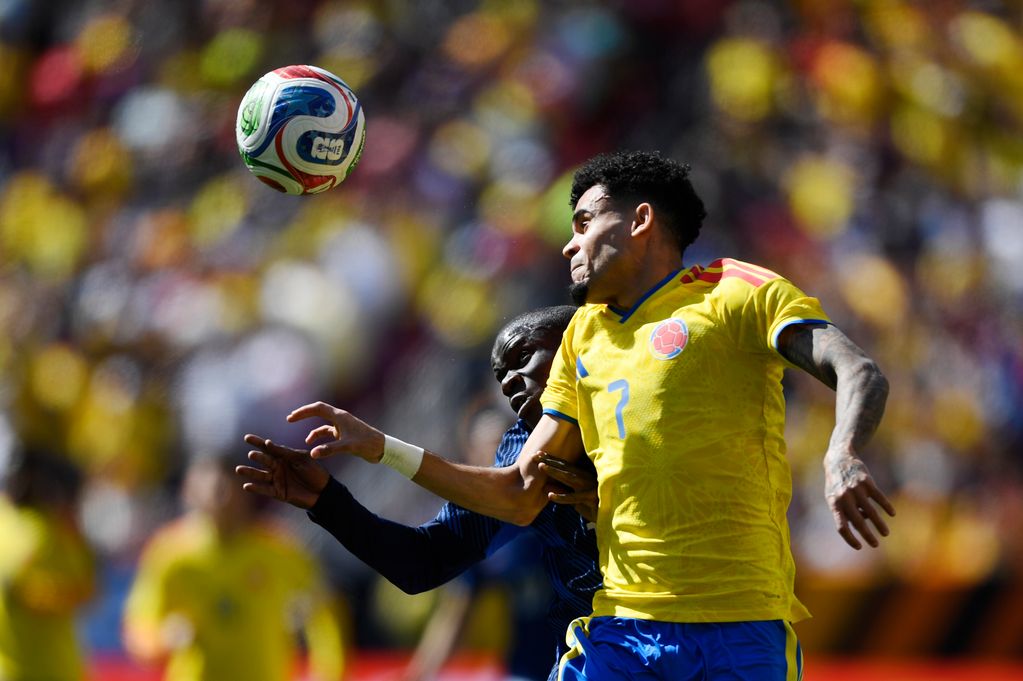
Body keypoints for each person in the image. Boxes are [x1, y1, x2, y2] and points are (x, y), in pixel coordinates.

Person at [281, 150, 895, 680]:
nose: (569, 243)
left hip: (742, 624)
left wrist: (841, 452)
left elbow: (856, 369)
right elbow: (520, 490)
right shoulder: (583, 338)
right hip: (623, 630)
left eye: (582, 222)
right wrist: (379, 446)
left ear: (640, 220)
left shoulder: (734, 292)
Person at [237, 305, 602, 681]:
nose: (509, 383)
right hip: (589, 662)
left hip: (659, 637)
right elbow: (422, 562)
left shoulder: (645, 408)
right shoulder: (522, 449)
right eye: (500, 376)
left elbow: (519, 494)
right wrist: (328, 502)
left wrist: (383, 448)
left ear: (578, 348)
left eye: (523, 357)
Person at [122, 452, 344, 681]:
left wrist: (327, 672)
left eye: (226, 486)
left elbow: (325, 610)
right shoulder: (170, 553)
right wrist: (166, 638)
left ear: (245, 489)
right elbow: (139, 634)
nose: (220, 496)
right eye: (210, 487)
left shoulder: (278, 549)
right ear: (188, 492)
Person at [0, 449, 95, 681]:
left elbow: (86, 590)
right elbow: (86, 590)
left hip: (53, 669)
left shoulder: (57, 531)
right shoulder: (54, 532)